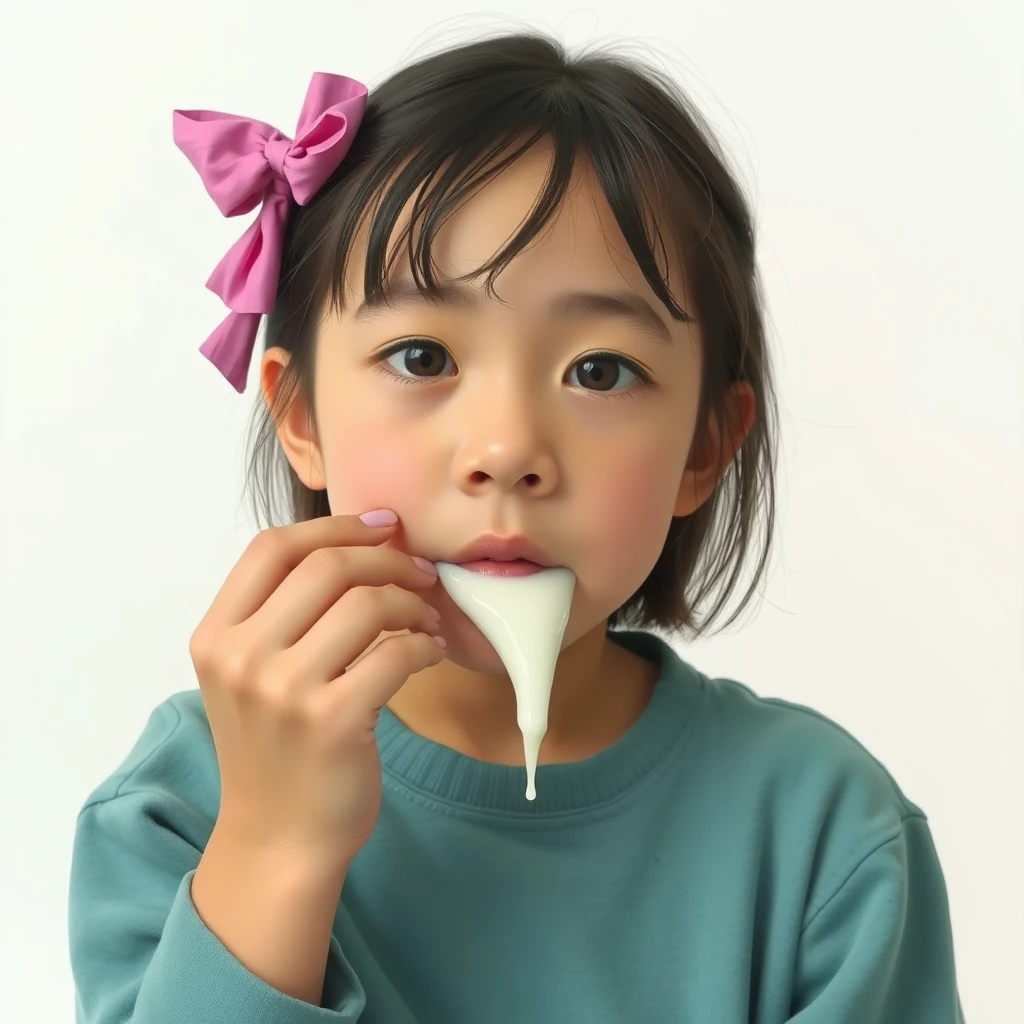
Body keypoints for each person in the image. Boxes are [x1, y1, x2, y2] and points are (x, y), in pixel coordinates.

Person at [67, 31, 965, 1024]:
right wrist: (274, 850)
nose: (506, 449)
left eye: (600, 370)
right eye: (420, 357)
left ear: (704, 447)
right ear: (303, 419)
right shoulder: (185, 806)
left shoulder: (822, 832)